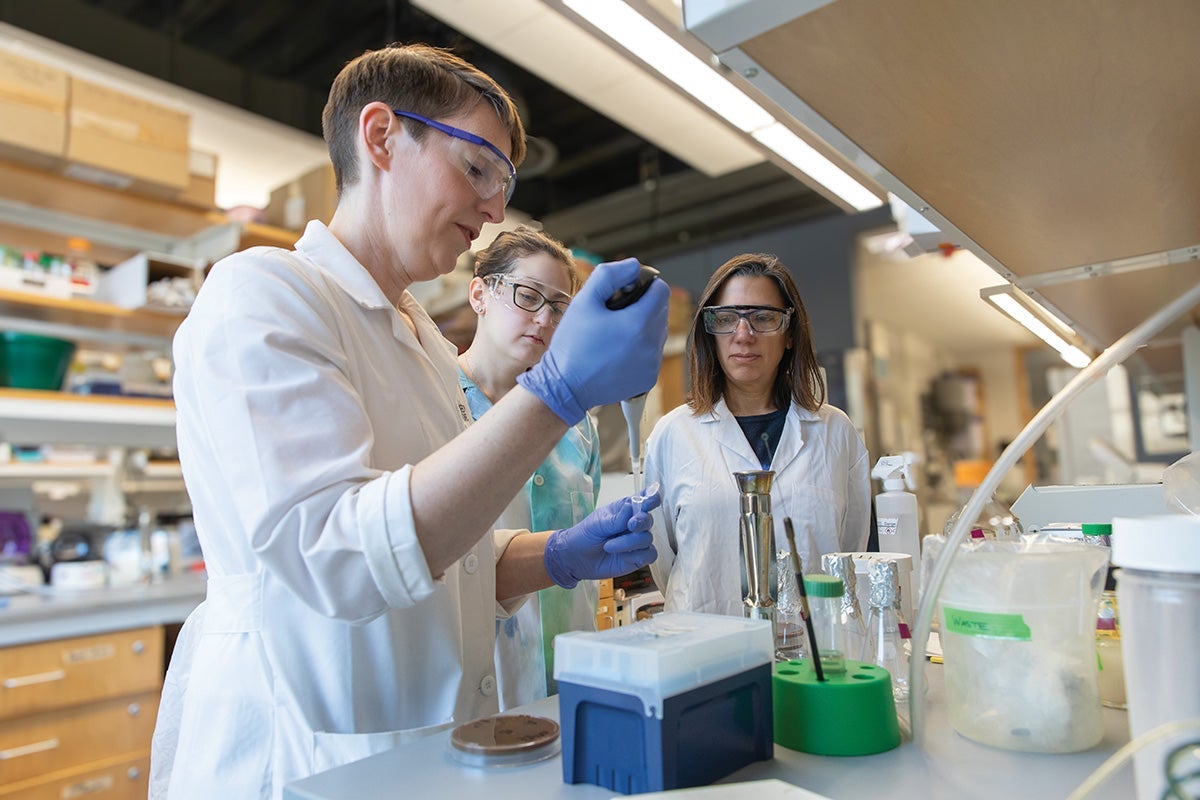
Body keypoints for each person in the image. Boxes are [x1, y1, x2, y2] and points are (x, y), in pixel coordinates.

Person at [149, 44, 668, 799]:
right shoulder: (263, 292)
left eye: (503, 184)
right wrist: (553, 392)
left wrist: (551, 556)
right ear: (382, 136)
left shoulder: (425, 338)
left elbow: (443, 554)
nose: (494, 211)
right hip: (301, 751)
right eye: (478, 169)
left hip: (425, 748)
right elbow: (343, 554)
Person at [645, 253, 869, 616]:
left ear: (790, 334)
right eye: (727, 318)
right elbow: (665, 561)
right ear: (710, 332)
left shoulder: (835, 432)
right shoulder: (673, 435)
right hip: (705, 649)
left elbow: (848, 547)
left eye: (763, 318)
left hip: (810, 655)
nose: (743, 335)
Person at [456, 227, 602, 709]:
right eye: (528, 296)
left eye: (560, 306)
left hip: (573, 672)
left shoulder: (577, 423)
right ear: (481, 293)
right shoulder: (436, 403)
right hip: (480, 680)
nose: (544, 318)